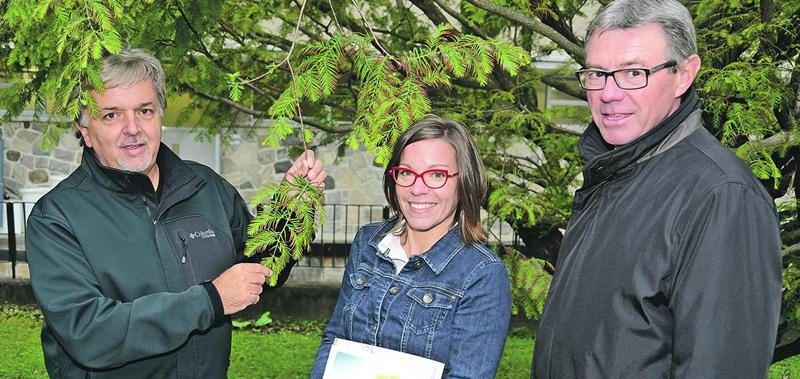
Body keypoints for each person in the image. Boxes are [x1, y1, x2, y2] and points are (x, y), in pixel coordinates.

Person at [25, 48, 327, 378]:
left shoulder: (207, 188)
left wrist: (290, 210)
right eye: (111, 115)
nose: (132, 127)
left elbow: (258, 270)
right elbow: (89, 333)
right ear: (85, 131)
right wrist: (210, 301)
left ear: (160, 117)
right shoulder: (56, 217)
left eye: (145, 111)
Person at [532, 0, 782, 377]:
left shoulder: (722, 197)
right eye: (598, 73)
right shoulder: (612, 174)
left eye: (633, 73)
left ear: (684, 74)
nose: (609, 93)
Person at [310, 115, 511, 378]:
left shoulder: (481, 274)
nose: (417, 188)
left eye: (436, 175)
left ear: (464, 182)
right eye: (407, 173)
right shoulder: (367, 244)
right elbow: (335, 340)